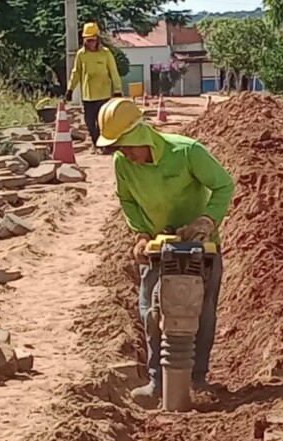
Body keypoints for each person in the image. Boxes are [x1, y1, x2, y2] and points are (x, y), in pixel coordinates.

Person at [95, 97, 235, 403]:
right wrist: (141, 235)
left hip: (200, 248)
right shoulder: (123, 164)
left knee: (201, 311)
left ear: (140, 135)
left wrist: (206, 220)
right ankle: (157, 382)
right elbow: (127, 200)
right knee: (150, 311)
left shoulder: (187, 152)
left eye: (126, 145)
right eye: (118, 148)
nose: (124, 153)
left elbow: (224, 184)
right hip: (158, 250)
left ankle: (197, 379)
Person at [66, 22, 123, 153]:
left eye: (92, 39)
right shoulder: (81, 54)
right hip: (88, 96)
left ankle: (106, 145)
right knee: (90, 123)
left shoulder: (106, 54)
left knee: (103, 122)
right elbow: (76, 72)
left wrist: (118, 90)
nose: (90, 42)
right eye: (87, 40)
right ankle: (97, 144)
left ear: (97, 38)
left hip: (104, 95)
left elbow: (113, 72)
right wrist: (70, 89)